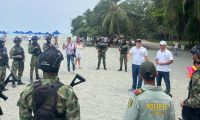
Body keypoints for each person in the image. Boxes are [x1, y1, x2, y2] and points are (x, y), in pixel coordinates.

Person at [18, 47, 80, 120]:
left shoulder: (28, 90)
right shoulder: (67, 91)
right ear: (58, 65)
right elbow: (74, 117)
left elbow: (24, 117)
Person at [181, 45, 200, 120]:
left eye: (193, 55)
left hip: (196, 113)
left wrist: (185, 103)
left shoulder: (197, 75)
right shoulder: (196, 70)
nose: (192, 57)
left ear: (196, 56)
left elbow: (198, 100)